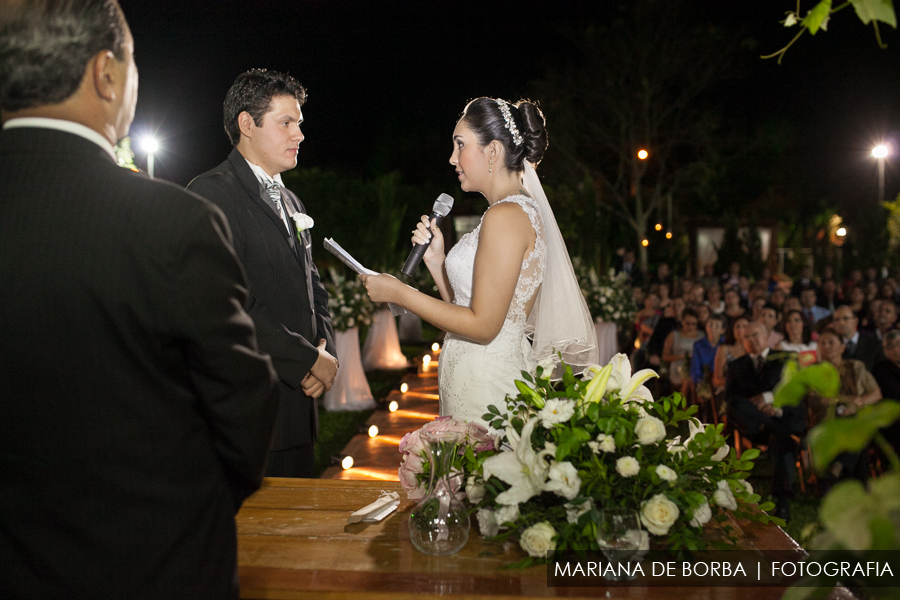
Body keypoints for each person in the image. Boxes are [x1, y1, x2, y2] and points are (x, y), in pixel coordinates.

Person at [0, 2, 280, 598]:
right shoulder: (172, 223)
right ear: (106, 73)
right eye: (134, 60)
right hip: (153, 566)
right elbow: (244, 413)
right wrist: (180, 514)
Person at [360, 97, 597, 423]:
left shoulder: (506, 215)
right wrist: (437, 260)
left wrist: (401, 294)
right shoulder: (507, 212)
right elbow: (468, 310)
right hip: (474, 376)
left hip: (489, 388)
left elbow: (484, 327)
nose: (452, 158)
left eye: (460, 145)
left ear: (493, 151)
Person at [187, 69, 337, 477]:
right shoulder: (209, 194)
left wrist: (327, 355)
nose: (299, 134)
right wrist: (305, 359)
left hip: (298, 409)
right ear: (246, 124)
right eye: (286, 123)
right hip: (248, 414)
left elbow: (313, 288)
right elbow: (223, 304)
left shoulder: (291, 199)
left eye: (299, 124)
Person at [726, 321, 806, 521]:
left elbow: (796, 391)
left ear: (766, 336)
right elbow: (731, 399)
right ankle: (781, 432)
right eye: (746, 337)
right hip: (755, 425)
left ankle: (783, 505)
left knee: (781, 443)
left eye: (755, 335)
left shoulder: (784, 359)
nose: (752, 340)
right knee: (736, 405)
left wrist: (771, 402)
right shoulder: (736, 365)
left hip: (781, 418)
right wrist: (759, 410)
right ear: (742, 341)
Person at [831, 305, 883, 372]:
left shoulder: (874, 345)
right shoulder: (832, 347)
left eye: (845, 318)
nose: (841, 323)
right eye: (837, 319)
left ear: (856, 321)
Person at [662, 307, 703, 389]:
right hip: (678, 367)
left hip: (696, 367)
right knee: (686, 379)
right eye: (688, 323)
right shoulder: (674, 335)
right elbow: (665, 356)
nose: (690, 326)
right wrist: (682, 356)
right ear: (682, 321)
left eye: (693, 324)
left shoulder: (701, 335)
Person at [712, 315, 750, 392]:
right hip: (730, 390)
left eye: (744, 326)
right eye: (737, 327)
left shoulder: (753, 351)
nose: (740, 329)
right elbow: (717, 379)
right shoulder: (724, 349)